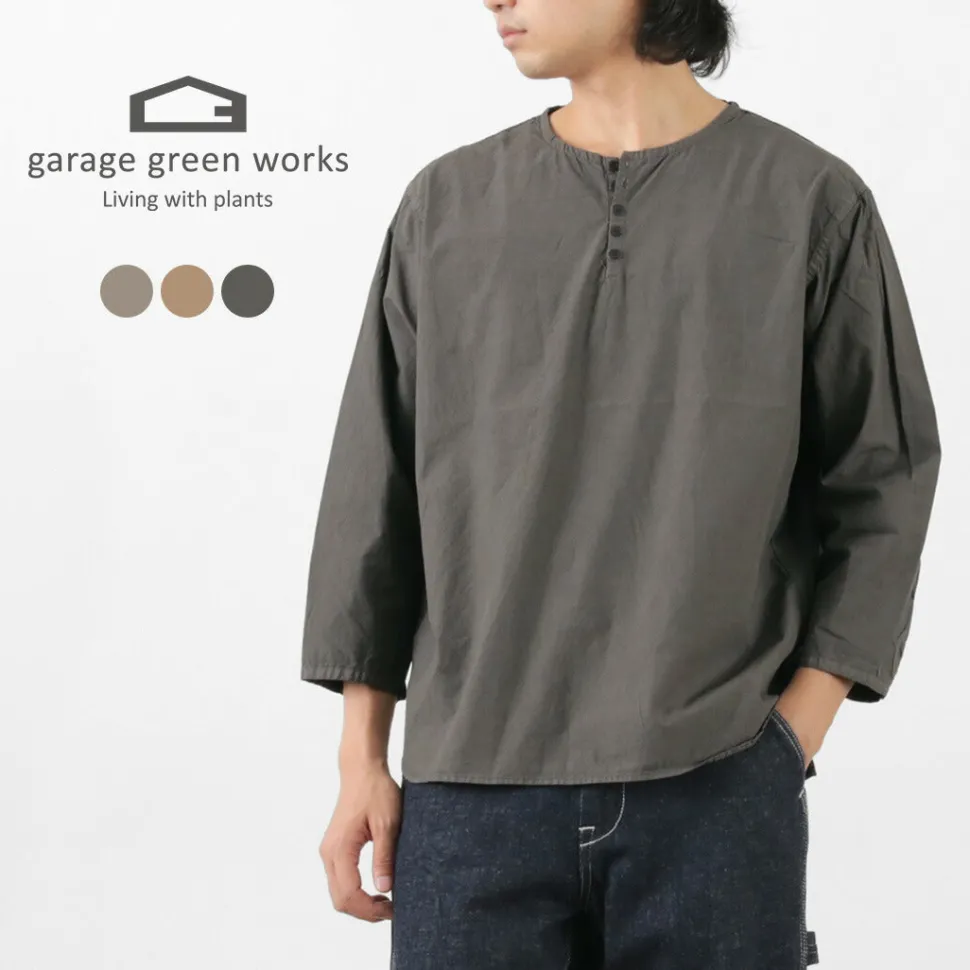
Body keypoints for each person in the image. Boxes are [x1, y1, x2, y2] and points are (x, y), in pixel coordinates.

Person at [300, 1, 942, 966]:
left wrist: (787, 741)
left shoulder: (808, 199)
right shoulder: (448, 204)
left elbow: (882, 475)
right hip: (470, 793)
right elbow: (374, 486)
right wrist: (361, 760)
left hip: (715, 782)